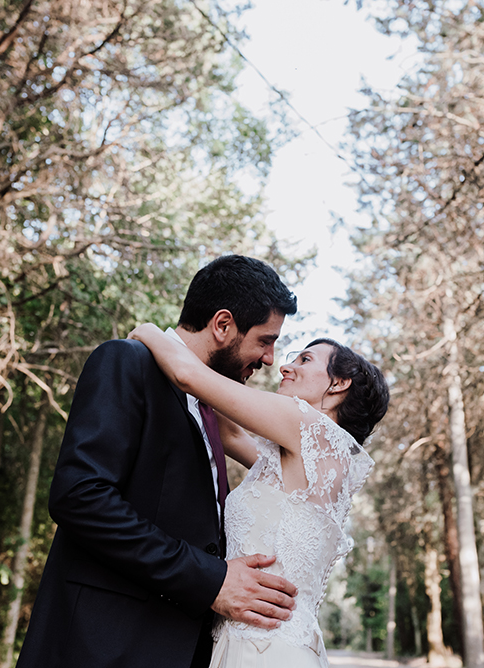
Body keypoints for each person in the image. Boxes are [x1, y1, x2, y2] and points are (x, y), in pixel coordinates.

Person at [16, 255, 300, 668]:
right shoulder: (125, 361)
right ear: (223, 325)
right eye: (265, 340)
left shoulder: (214, 412)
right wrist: (211, 579)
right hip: (102, 646)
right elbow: (80, 496)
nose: (271, 359)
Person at [127, 323, 390, 668]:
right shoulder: (313, 460)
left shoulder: (311, 426)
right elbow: (232, 434)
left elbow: (188, 375)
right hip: (262, 644)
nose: (285, 366)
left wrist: (147, 330)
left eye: (305, 359)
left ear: (339, 384)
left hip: (264, 650)